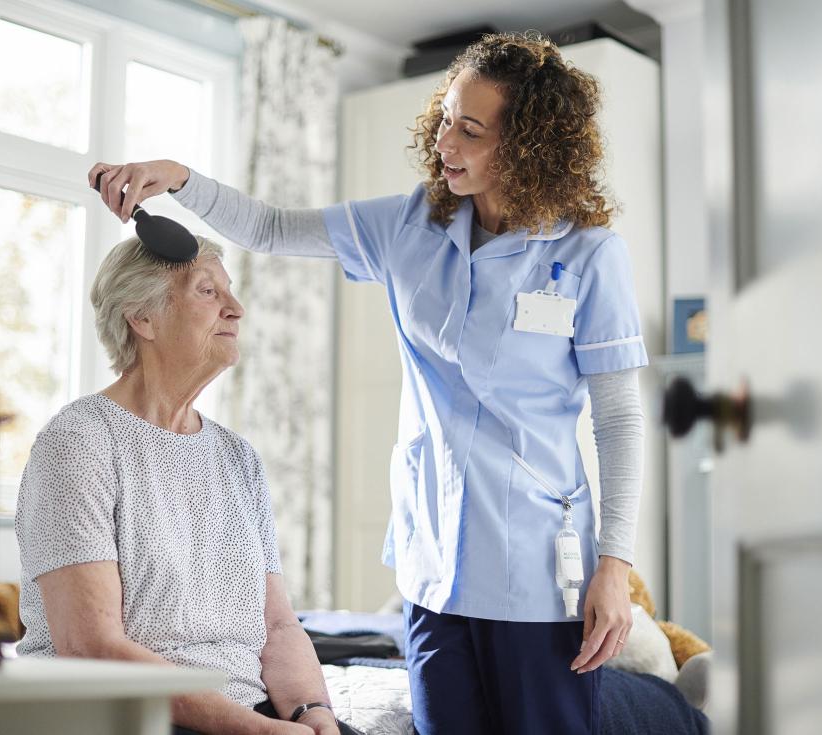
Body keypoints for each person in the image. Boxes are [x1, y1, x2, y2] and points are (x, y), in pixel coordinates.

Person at [90, 31, 648, 735]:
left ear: (529, 145)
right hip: (432, 572)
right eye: (445, 117)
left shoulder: (588, 254)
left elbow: (620, 417)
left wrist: (615, 566)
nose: (445, 140)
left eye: (470, 130)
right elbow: (268, 227)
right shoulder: (411, 223)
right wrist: (179, 178)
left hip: (536, 573)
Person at [15, 235, 359, 735]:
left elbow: (280, 627)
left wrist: (315, 714)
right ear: (143, 318)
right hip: (129, 714)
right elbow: (89, 646)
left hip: (246, 714)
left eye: (230, 291)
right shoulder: (78, 442)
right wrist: (258, 730)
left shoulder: (237, 458)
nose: (236, 309)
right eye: (207, 292)